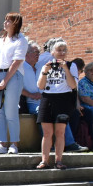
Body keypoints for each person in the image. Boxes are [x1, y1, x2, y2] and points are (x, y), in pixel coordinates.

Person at [0, 13, 28, 154]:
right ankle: (1, 143)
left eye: (9, 21)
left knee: (10, 110)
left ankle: (14, 144)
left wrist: (5, 80)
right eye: (5, 20)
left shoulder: (21, 40)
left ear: (16, 23)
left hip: (13, 75)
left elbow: (17, 62)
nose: (5, 23)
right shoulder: (0, 41)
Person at [36, 40, 79, 169]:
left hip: (64, 100)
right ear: (53, 52)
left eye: (64, 50)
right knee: (47, 133)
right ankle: (44, 160)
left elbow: (73, 85)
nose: (61, 53)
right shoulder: (46, 65)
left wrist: (65, 68)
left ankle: (58, 160)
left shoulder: (71, 66)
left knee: (60, 132)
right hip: (47, 99)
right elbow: (40, 86)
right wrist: (45, 71)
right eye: (59, 50)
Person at [20, 41, 43, 118]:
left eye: (38, 52)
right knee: (43, 113)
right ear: (26, 54)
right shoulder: (21, 67)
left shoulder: (40, 67)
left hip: (45, 102)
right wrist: (31, 95)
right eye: (35, 52)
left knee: (61, 116)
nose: (37, 54)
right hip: (31, 103)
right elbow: (15, 86)